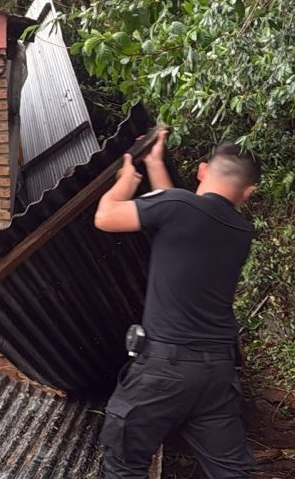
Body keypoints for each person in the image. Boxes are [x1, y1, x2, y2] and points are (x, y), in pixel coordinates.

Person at [94, 131, 260, 479]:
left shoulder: (177, 207)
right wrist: (155, 162)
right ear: (249, 192)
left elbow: (105, 217)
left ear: (201, 170)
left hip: (162, 371)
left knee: (125, 465)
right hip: (215, 374)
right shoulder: (240, 232)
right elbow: (176, 210)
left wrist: (127, 180)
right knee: (232, 472)